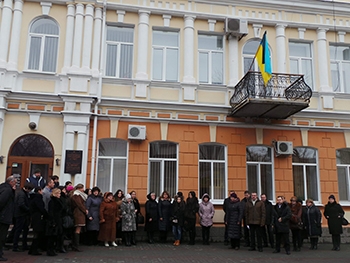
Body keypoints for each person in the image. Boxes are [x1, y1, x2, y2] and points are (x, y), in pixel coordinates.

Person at [12, 182, 34, 252]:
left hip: (23, 215)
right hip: (21, 215)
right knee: (18, 230)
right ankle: (15, 245)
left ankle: (24, 244)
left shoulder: (23, 193)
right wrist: (28, 210)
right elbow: (21, 204)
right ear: (27, 188)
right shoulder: (22, 194)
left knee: (24, 230)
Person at [0, 176, 17, 261]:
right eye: (15, 182)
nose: (16, 184)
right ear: (11, 182)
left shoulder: (3, 187)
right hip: (3, 217)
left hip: (3, 216)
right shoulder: (7, 190)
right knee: (2, 236)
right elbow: (1, 201)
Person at [28, 187, 48, 256]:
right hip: (38, 218)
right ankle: (34, 249)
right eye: (41, 190)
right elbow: (41, 208)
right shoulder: (38, 198)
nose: (42, 191)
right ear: (39, 191)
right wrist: (46, 214)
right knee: (37, 234)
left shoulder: (33, 198)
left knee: (36, 233)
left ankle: (32, 249)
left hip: (35, 217)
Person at [46, 188, 64, 256]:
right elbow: (51, 212)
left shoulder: (58, 201)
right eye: (59, 193)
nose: (60, 195)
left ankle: (53, 249)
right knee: (52, 236)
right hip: (54, 220)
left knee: (55, 235)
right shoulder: (52, 201)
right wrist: (53, 221)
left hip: (58, 219)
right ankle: (50, 250)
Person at [70, 184, 88, 252]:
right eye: (82, 188)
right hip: (78, 213)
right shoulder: (77, 195)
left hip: (79, 213)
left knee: (78, 229)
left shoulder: (77, 195)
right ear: (79, 189)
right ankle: (75, 245)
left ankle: (75, 245)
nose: (83, 190)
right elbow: (79, 204)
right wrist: (85, 210)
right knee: (78, 229)